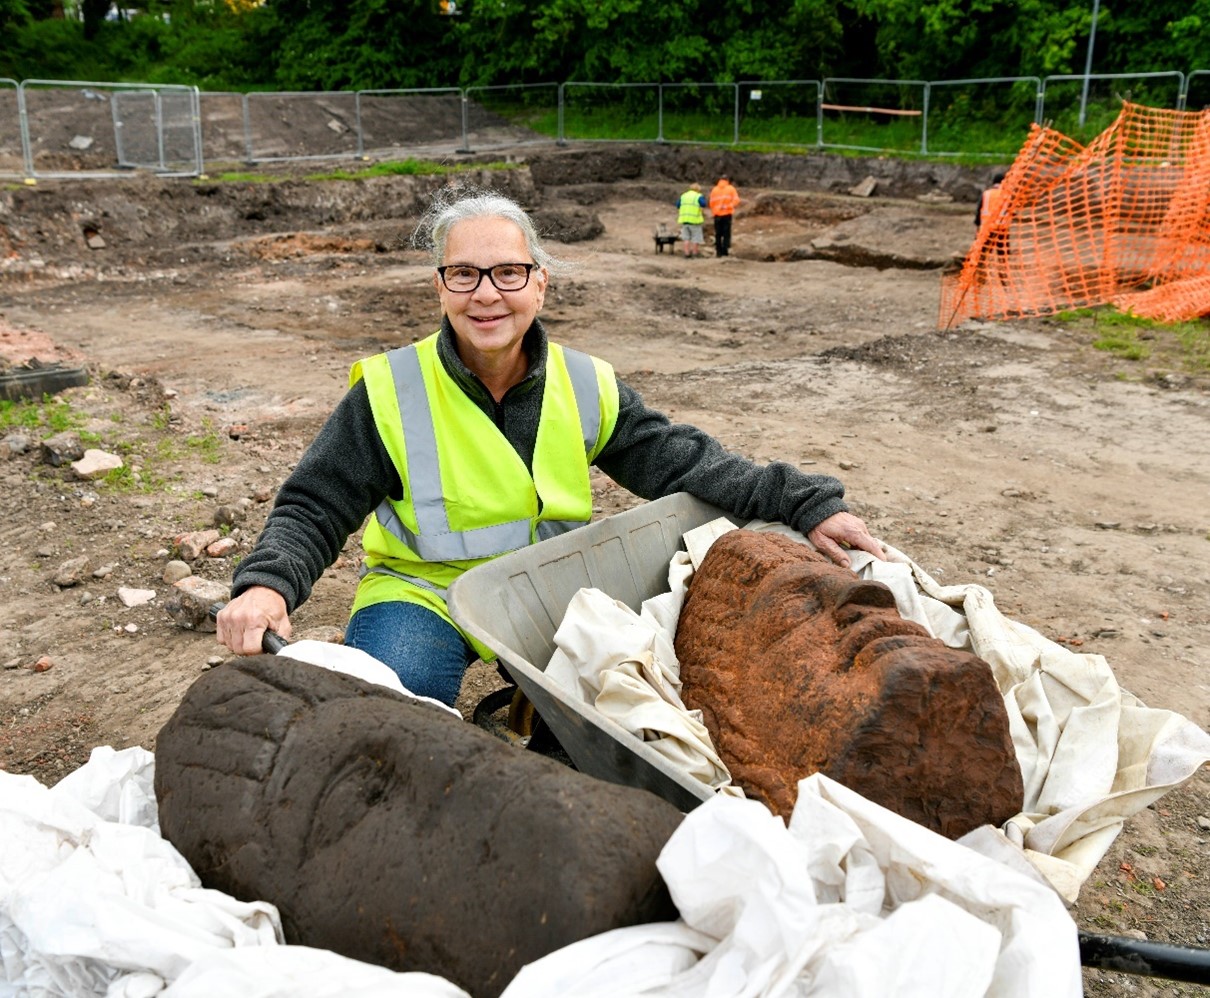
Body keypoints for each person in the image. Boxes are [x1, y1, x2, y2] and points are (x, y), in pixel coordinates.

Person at [216, 188, 884, 707]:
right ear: (440, 287)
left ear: (539, 282)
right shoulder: (390, 390)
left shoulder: (587, 384)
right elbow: (314, 503)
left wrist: (804, 503)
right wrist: (268, 584)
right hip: (422, 595)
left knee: (632, 714)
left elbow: (683, 459)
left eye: (508, 273)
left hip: (547, 593)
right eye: (465, 275)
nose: (487, 295)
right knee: (390, 712)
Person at [708, 175, 740, 257]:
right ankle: (725, 251)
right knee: (726, 233)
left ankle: (718, 252)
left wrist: (715, 210)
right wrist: (730, 206)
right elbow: (736, 200)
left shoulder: (714, 190)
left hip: (717, 214)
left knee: (718, 234)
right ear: (727, 180)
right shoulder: (731, 189)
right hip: (727, 214)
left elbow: (711, 203)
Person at [676, 183, 707, 258]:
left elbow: (677, 205)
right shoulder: (698, 196)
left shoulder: (683, 196)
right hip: (694, 220)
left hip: (684, 220)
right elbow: (704, 204)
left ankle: (686, 253)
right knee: (695, 238)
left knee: (686, 238)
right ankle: (695, 253)